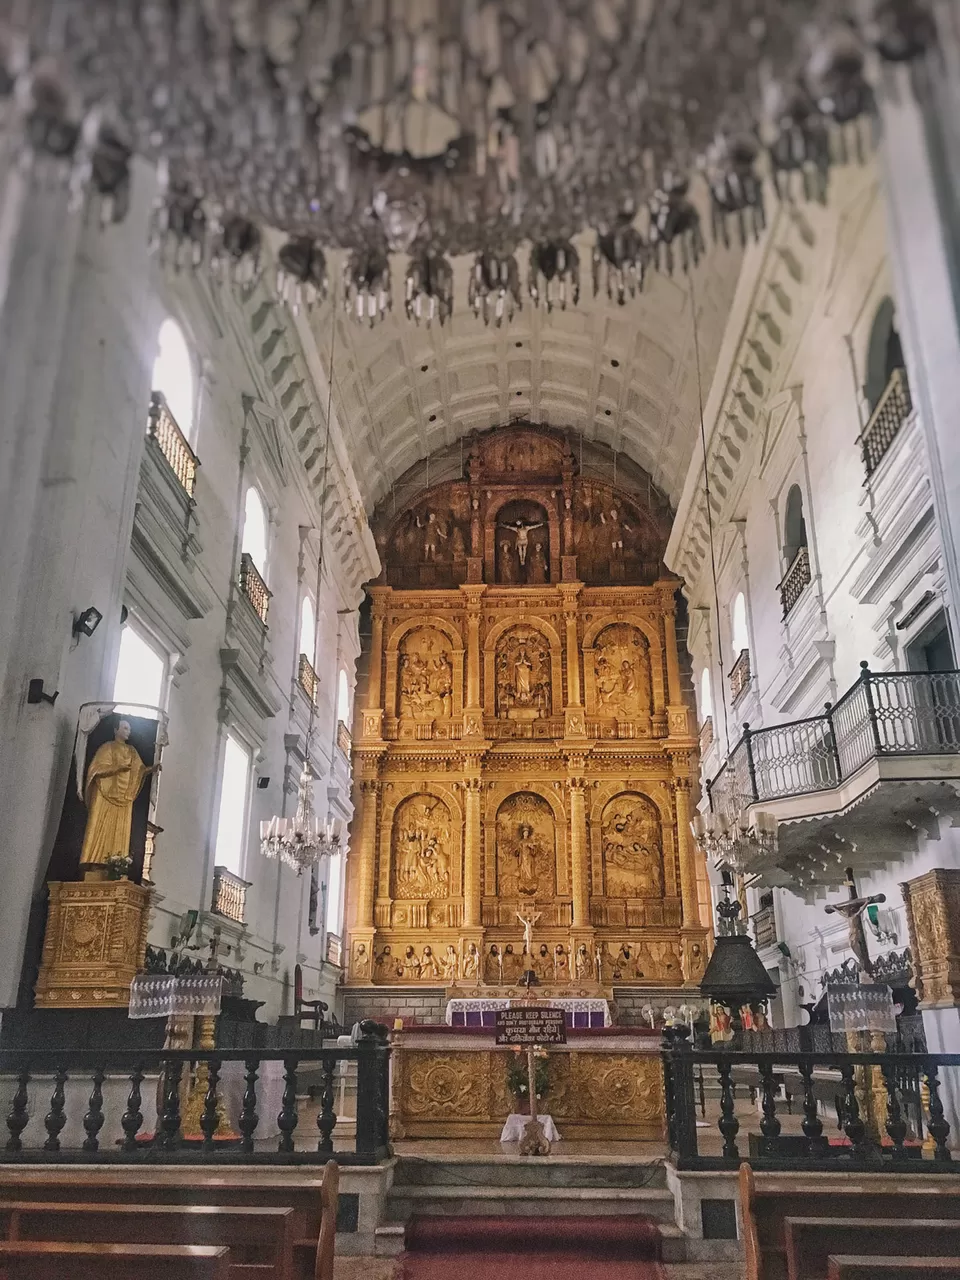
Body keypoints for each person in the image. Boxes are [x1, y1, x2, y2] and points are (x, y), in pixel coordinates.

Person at [79, 720, 159, 873]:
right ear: (116, 730)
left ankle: (116, 864)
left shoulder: (131, 751)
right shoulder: (107, 747)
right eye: (125, 728)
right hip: (105, 792)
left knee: (120, 830)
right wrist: (117, 768)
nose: (128, 731)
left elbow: (139, 771)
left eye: (129, 728)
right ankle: (94, 862)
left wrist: (151, 769)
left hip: (124, 797)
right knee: (100, 825)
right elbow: (95, 769)